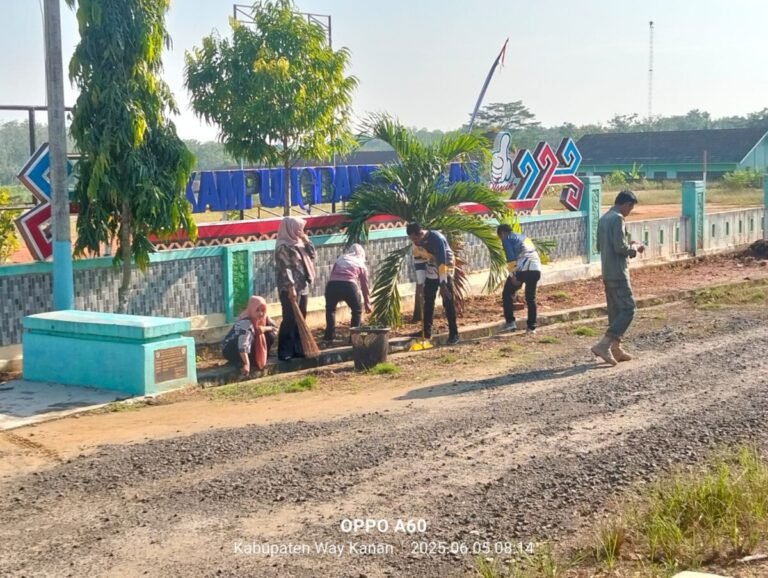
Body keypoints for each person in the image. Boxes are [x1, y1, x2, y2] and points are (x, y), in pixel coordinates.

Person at [591, 190, 645, 365]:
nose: (630, 211)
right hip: (619, 272)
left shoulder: (603, 219)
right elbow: (620, 248)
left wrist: (626, 245)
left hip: (607, 271)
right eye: (630, 207)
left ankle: (616, 348)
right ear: (626, 204)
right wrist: (634, 249)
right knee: (629, 309)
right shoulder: (618, 219)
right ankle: (604, 344)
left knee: (615, 311)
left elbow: (600, 245)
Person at [406, 222, 459, 345]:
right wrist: (420, 283)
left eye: (414, 238)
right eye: (411, 239)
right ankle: (426, 331)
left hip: (446, 266)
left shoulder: (437, 239)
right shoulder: (416, 243)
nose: (413, 241)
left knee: (448, 301)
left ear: (420, 234)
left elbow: (442, 261)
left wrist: (443, 284)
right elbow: (418, 260)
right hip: (432, 266)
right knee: (428, 299)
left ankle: (454, 334)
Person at [274, 216, 316, 361]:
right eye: (298, 228)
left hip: (302, 286)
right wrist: (290, 286)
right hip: (289, 288)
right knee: (290, 318)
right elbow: (285, 268)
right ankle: (285, 351)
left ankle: (299, 348)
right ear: (290, 228)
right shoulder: (283, 247)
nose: (300, 230)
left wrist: (306, 240)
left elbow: (312, 255)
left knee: (301, 318)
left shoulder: (300, 244)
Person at [496, 224, 541, 334]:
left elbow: (510, 258)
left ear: (501, 233)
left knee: (507, 293)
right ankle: (531, 327)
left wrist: (513, 276)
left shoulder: (506, 239)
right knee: (531, 298)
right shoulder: (523, 237)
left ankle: (510, 323)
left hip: (523, 269)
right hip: (536, 268)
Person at [324, 243, 372, 342]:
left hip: (332, 286)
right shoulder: (361, 264)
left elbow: (332, 274)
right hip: (349, 286)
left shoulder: (340, 259)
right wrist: (367, 303)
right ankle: (354, 338)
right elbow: (364, 286)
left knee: (330, 310)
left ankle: (329, 336)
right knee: (356, 311)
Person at [221, 296, 278, 378]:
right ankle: (241, 360)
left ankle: (257, 359)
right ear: (251, 309)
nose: (260, 313)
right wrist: (246, 364)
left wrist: (265, 328)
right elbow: (242, 344)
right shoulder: (246, 322)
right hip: (231, 348)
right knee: (248, 338)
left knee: (270, 335)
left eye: (263, 310)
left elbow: (275, 328)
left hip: (247, 345)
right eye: (257, 310)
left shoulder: (265, 318)